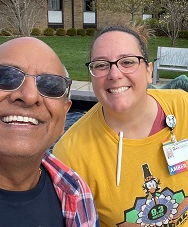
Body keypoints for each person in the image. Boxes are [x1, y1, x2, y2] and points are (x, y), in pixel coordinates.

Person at [0, 37, 97, 226]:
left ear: (64, 114)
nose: (29, 96)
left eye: (51, 85)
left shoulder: (78, 194)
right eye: (6, 77)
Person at [54, 26, 188, 225]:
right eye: (101, 65)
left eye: (127, 62)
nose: (115, 74)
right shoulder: (71, 155)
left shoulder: (183, 107)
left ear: (149, 71)